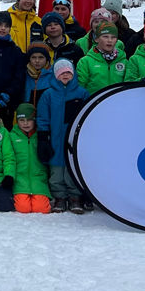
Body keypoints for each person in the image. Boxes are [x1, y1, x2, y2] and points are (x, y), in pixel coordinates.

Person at [35, 58, 89, 213]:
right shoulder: (48, 95)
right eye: (61, 73)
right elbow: (43, 117)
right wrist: (43, 137)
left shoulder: (82, 93)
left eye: (68, 72)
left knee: (72, 168)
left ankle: (75, 196)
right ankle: (60, 196)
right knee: (56, 171)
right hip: (55, 138)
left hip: (73, 138)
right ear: (55, 75)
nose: (65, 75)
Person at [8, 104, 50, 214]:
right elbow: (9, 159)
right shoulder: (12, 136)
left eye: (29, 120)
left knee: (41, 209)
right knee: (23, 208)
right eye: (22, 120)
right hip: (20, 180)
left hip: (38, 179)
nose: (25, 123)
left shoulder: (40, 136)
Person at [77, 25, 131, 94]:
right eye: (105, 37)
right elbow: (80, 88)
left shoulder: (124, 62)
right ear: (96, 39)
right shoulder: (85, 62)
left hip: (118, 102)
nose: (109, 40)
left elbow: (129, 84)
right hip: (95, 103)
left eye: (113, 37)